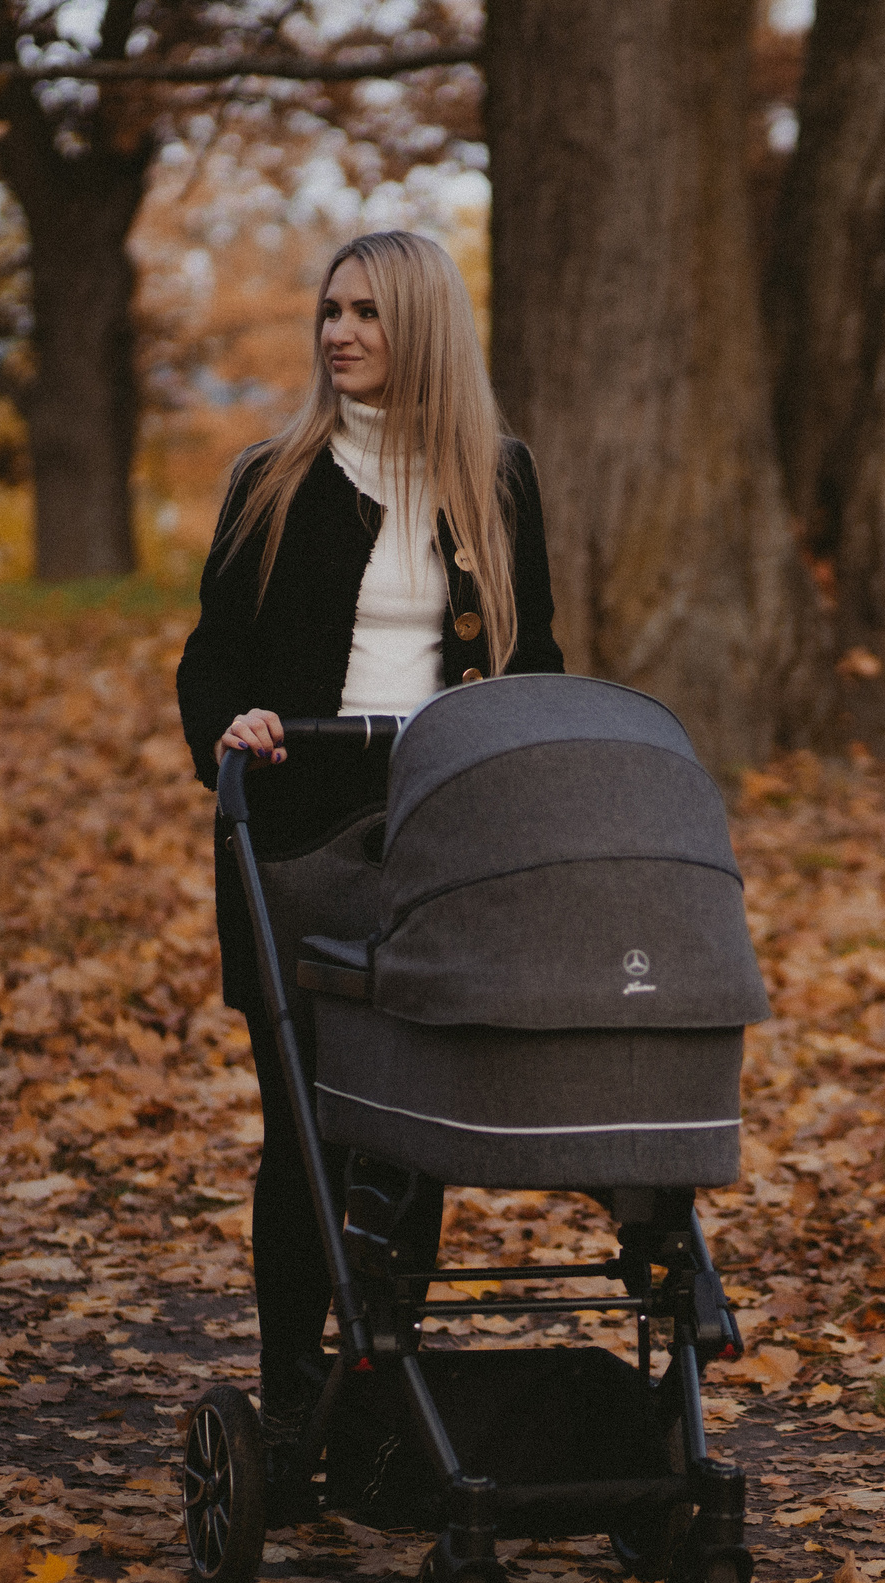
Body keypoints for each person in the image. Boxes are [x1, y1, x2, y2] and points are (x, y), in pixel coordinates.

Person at [176, 230, 563, 1452]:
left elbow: (535, 655)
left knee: (413, 1121)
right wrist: (229, 728)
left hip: (435, 837)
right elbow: (211, 656)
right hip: (293, 835)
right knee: (306, 1126)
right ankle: (294, 1390)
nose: (338, 332)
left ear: (422, 328)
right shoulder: (273, 478)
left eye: (367, 313)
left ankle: (381, 1372)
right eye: (328, 312)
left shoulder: (494, 478)